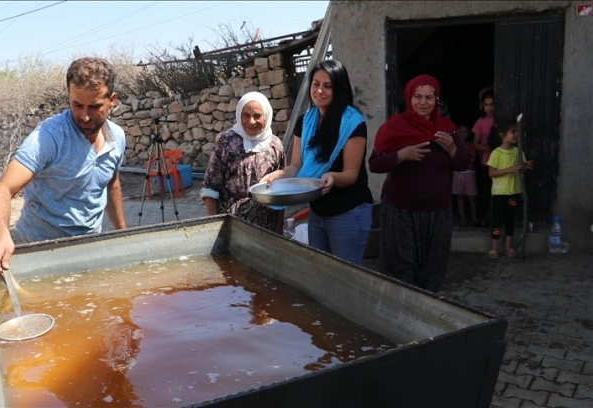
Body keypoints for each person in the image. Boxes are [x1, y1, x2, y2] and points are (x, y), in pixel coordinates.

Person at [0, 57, 127, 274]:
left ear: (112, 100)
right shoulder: (48, 138)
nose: (85, 116)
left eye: (95, 106)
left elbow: (111, 183)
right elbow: (2, 190)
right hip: (41, 249)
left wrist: (122, 234)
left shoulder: (117, 137)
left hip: (90, 246)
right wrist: (1, 236)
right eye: (77, 105)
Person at [260, 59, 373, 265]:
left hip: (348, 211)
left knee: (346, 276)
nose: (320, 90)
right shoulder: (305, 121)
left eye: (328, 86)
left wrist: (331, 177)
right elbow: (296, 165)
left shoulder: (352, 123)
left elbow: (350, 173)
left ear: (339, 88)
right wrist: (276, 176)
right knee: (322, 272)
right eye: (316, 84)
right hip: (318, 211)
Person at [368, 74, 470, 292]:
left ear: (436, 100)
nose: (423, 102)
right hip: (401, 211)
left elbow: (463, 163)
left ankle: (424, 313)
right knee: (400, 269)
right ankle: (397, 315)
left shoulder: (447, 128)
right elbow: (375, 164)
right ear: (409, 97)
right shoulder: (394, 127)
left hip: (438, 213)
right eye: (418, 96)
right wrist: (401, 155)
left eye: (429, 97)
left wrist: (452, 148)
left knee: (432, 268)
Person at [201, 91, 286, 233]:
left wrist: (278, 231)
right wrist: (215, 229)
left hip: (267, 228)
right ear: (239, 115)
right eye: (246, 115)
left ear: (266, 116)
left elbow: (281, 192)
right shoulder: (225, 141)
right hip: (231, 226)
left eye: (257, 116)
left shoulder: (275, 145)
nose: (251, 121)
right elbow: (210, 188)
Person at [486, 120, 533, 259]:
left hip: (514, 193)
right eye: (513, 132)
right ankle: (494, 248)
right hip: (500, 194)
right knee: (497, 220)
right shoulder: (496, 153)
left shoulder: (518, 152)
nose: (516, 134)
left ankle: (508, 247)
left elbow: (521, 167)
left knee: (510, 220)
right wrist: (509, 170)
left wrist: (526, 165)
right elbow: (491, 173)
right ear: (502, 135)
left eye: (516, 132)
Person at [472, 87, 494, 226]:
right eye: (486, 105)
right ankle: (485, 218)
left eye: (492, 104)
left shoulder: (501, 119)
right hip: (486, 162)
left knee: (499, 191)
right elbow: (475, 144)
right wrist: (487, 147)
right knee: (487, 191)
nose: (489, 108)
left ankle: (494, 218)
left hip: (502, 162)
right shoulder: (481, 122)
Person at [452, 124, 480, 227]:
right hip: (458, 173)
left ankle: (474, 218)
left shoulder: (471, 145)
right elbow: (453, 158)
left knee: (472, 197)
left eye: (465, 132)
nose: (463, 134)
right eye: (461, 132)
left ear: (468, 134)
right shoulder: (454, 145)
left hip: (469, 172)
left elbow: (473, 159)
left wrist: (461, 159)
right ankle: (462, 219)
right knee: (460, 196)